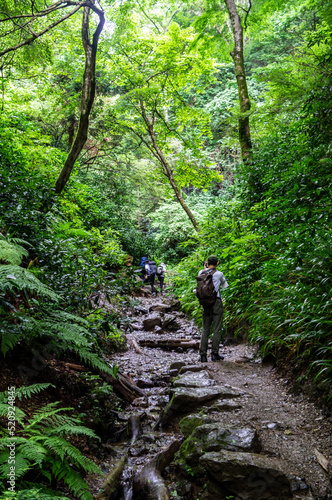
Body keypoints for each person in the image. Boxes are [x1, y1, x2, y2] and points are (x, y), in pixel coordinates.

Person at [198, 255, 229, 363]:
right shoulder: (219, 274)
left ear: (207, 262)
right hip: (216, 302)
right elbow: (225, 285)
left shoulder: (200, 273)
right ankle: (214, 354)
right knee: (216, 329)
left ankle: (203, 355)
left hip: (205, 303)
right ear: (217, 263)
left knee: (205, 329)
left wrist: (204, 268)